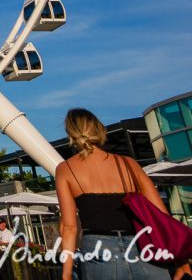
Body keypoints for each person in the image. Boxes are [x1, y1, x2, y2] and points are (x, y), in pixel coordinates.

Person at [55, 107, 185, 280]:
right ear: (98, 129)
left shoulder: (66, 170)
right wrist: (182, 262)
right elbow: (161, 216)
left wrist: (66, 274)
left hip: (98, 249)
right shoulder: (128, 163)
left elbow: (69, 227)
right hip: (143, 245)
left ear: (71, 134)